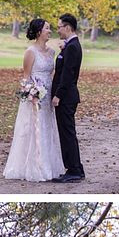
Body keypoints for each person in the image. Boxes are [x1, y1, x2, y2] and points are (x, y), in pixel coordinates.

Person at [2, 18, 65, 182]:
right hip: (34, 97)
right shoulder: (30, 52)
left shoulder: (52, 52)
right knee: (33, 129)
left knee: (47, 128)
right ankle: (34, 166)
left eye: (50, 28)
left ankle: (49, 166)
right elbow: (26, 77)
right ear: (38, 32)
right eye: (47, 28)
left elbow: (53, 73)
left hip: (48, 93)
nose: (50, 31)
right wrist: (32, 94)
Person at [51, 12, 85, 183]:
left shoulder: (72, 47)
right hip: (68, 96)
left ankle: (73, 170)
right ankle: (76, 167)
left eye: (59, 27)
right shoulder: (70, 45)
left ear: (68, 27)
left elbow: (68, 75)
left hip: (66, 97)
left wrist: (58, 95)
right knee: (67, 133)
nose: (58, 30)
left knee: (67, 134)